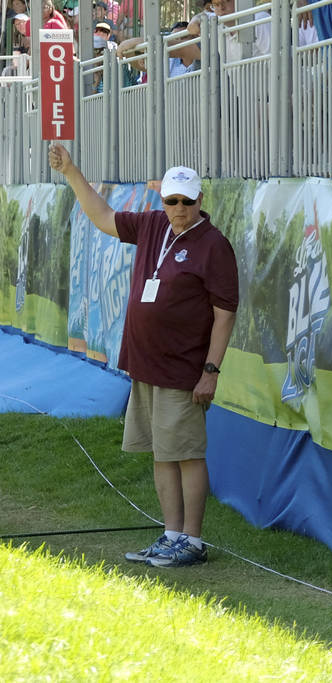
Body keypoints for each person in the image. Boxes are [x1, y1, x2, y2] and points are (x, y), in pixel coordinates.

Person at [47, 143, 239, 569]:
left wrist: (210, 371)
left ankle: (192, 541)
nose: (179, 208)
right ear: (162, 200)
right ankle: (171, 534)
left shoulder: (214, 246)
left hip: (183, 371)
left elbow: (224, 315)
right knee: (160, 452)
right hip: (145, 365)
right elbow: (101, 216)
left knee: (186, 452)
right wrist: (72, 171)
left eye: (187, 201)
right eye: (171, 200)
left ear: (200, 200)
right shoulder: (153, 225)